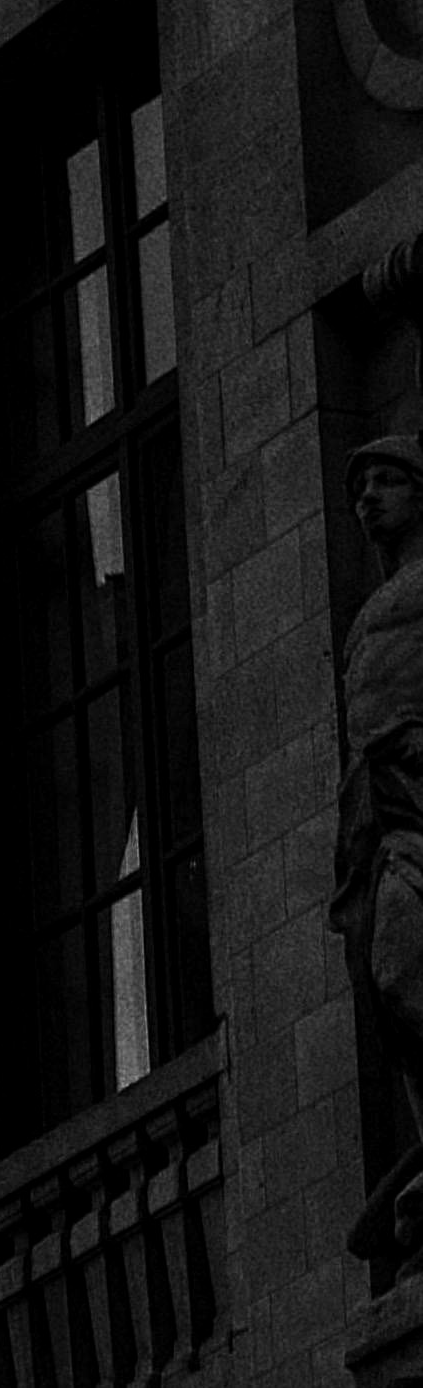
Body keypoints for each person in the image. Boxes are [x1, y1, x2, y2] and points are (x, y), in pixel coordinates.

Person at [336, 432, 423, 1271]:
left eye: (387, 480)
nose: (368, 497)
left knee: (402, 965)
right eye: (360, 485)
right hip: (377, 812)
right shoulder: (367, 613)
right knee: (385, 981)